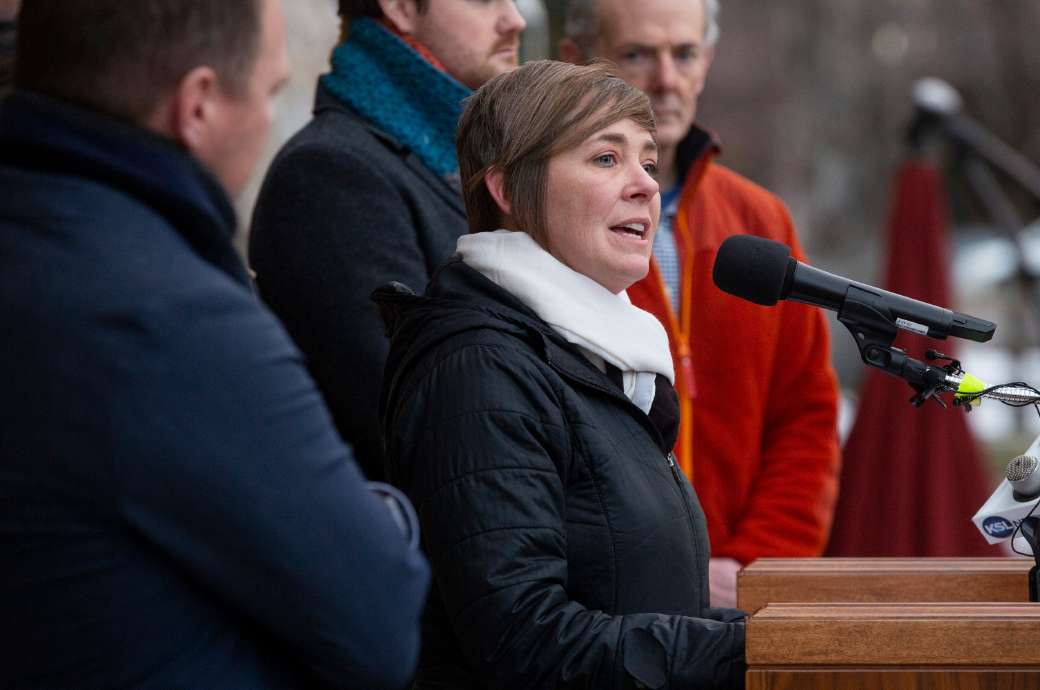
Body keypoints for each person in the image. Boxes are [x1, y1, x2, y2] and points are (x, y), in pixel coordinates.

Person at [0, 2, 430, 688]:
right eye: (269, 91)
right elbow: (380, 613)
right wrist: (386, 515)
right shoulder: (167, 319)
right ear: (198, 106)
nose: (269, 121)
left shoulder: (44, 238)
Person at [375, 60, 746, 689]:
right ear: (508, 191)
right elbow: (524, 637)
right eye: (606, 159)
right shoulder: (481, 370)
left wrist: (773, 632)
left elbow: (636, 599)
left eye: (649, 164)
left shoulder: (597, 363)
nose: (646, 187)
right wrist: (747, 653)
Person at [561, 0, 842, 607]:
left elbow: (807, 416)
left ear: (707, 60)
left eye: (684, 54)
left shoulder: (761, 220)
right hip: (603, 614)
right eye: (637, 54)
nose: (666, 80)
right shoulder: (551, 228)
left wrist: (754, 566)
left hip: (748, 602)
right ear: (574, 61)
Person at [248, 0, 526, 480]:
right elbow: (415, 430)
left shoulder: (468, 165)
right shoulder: (331, 177)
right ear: (399, 6)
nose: (514, 19)